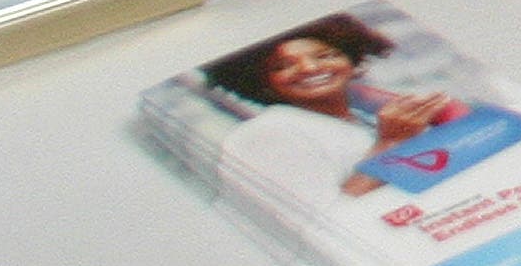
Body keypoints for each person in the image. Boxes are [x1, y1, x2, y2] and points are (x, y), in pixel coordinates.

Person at [200, 15, 469, 199]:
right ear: (262, 83)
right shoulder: (266, 132)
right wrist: (391, 143)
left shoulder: (366, 115)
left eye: (326, 55)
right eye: (283, 66)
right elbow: (322, 221)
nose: (310, 68)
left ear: (352, 62)